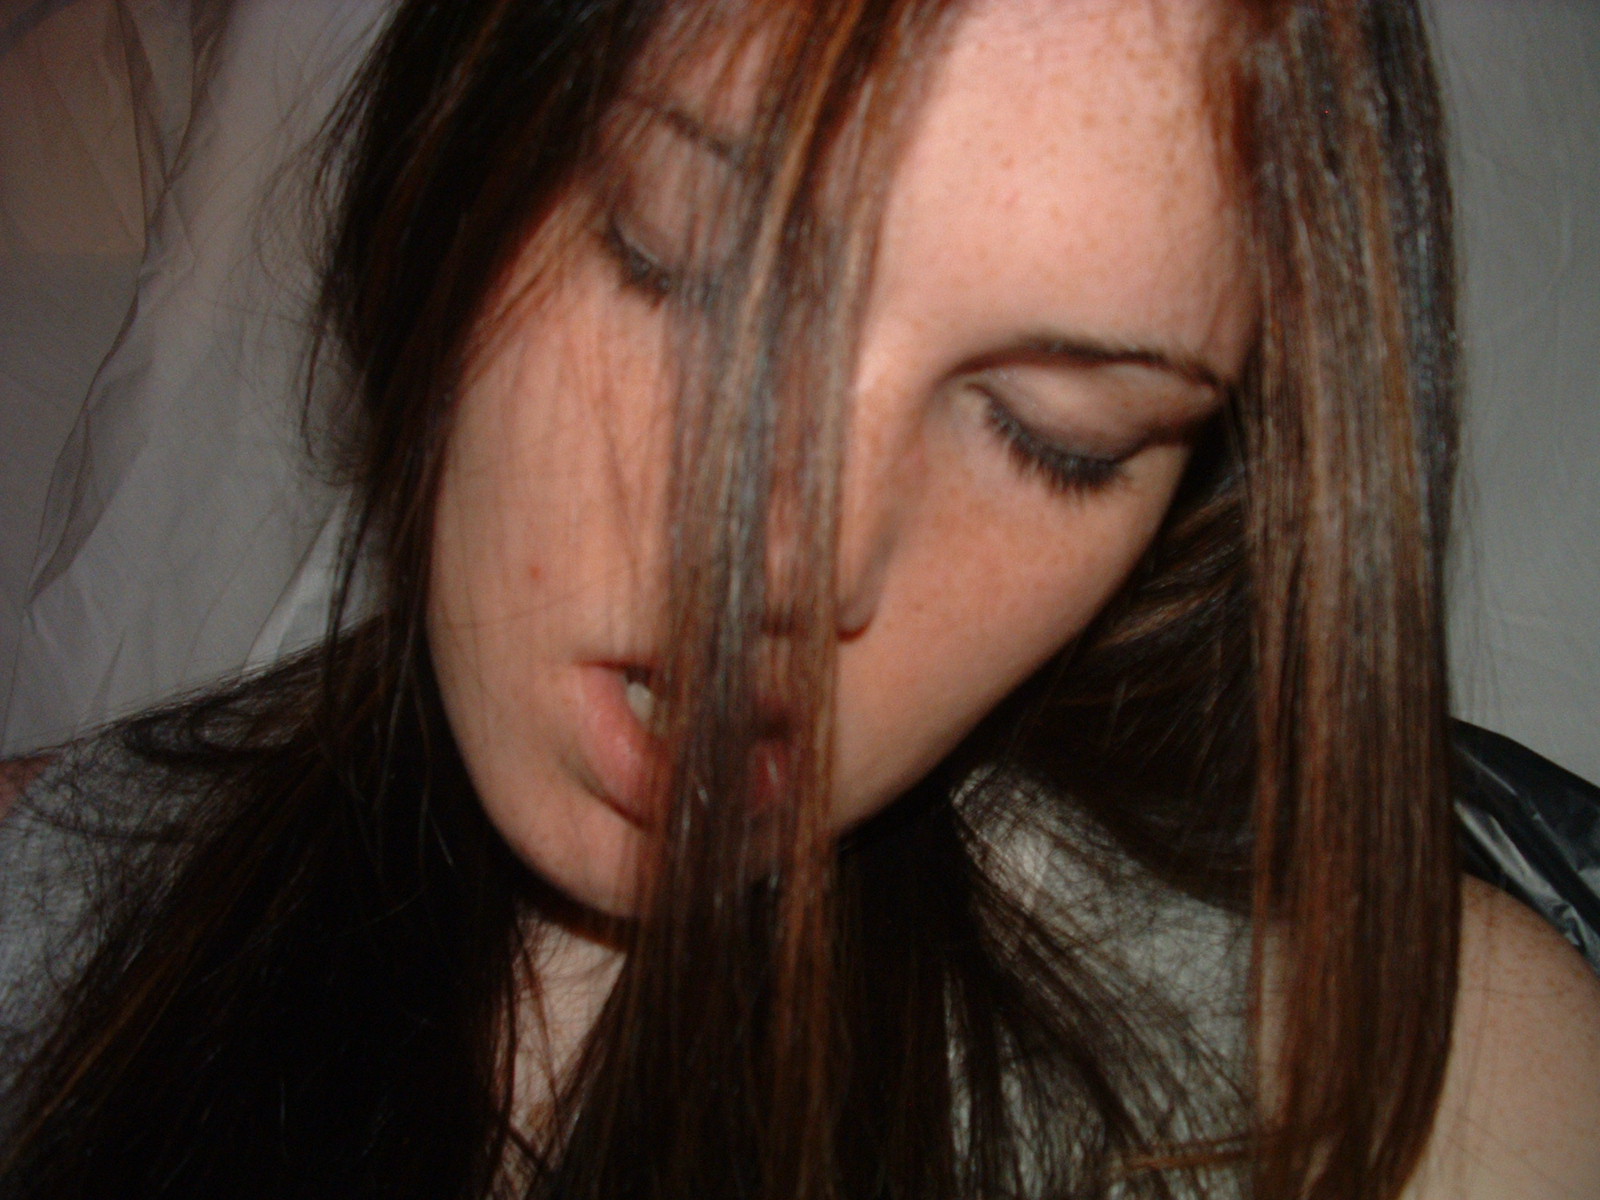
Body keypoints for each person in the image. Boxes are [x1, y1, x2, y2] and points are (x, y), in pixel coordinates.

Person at [0, 0, 1597, 1197]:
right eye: (684, 259)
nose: (784, 571)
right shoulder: (56, 898)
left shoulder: (1410, 1095)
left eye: (1057, 435)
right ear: (465, 145)